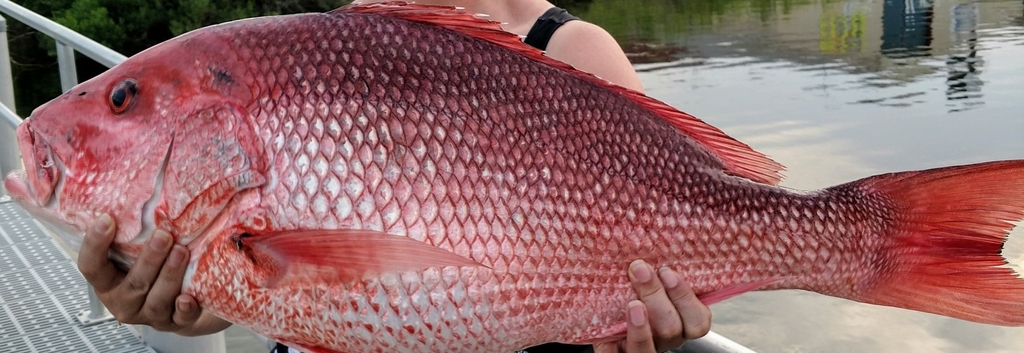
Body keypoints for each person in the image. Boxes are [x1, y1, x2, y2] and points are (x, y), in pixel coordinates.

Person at [76, 1, 713, 353]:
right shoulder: (328, 40)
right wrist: (181, 306)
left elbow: (674, 229)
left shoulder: (574, 50)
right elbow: (275, 283)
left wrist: (639, 329)